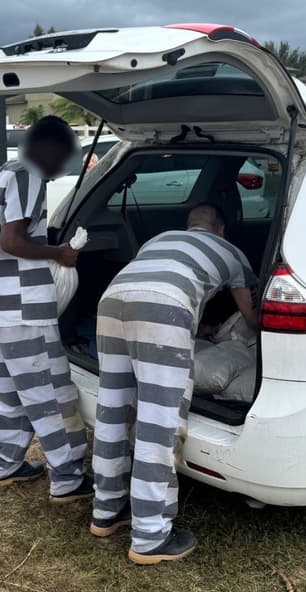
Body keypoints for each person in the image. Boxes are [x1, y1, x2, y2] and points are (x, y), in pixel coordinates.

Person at [91, 203, 257, 564]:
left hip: (111, 303)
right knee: (158, 421)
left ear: (189, 226)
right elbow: (250, 315)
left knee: (113, 408)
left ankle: (106, 510)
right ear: (222, 230)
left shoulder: (160, 239)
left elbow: (150, 291)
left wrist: (199, 328)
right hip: (164, 307)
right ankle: (151, 536)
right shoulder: (232, 252)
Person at [0, 115, 88, 501]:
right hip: (20, 304)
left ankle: (6, 462)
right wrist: (59, 253)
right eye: (62, 153)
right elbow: (11, 241)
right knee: (44, 388)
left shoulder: (4, 173)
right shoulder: (28, 176)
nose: (62, 164)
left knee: (13, 389)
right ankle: (67, 477)